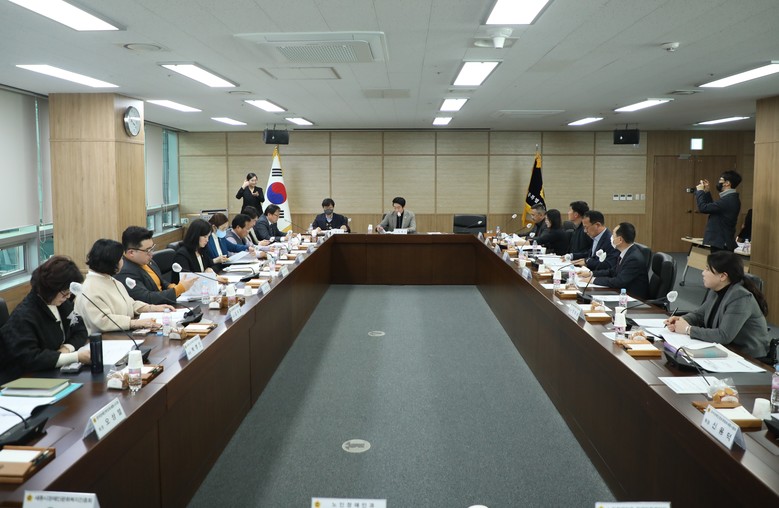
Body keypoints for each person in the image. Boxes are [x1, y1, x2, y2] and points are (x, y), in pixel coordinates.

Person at [0, 256, 90, 382]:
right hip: (24, 379)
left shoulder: (61, 303)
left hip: (53, 373)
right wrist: (75, 357)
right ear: (50, 288)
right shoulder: (23, 317)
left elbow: (80, 330)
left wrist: (67, 348)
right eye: (65, 292)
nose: (68, 297)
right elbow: (30, 358)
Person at [665, 251, 769, 358]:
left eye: (707, 269)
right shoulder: (716, 290)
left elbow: (723, 335)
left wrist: (688, 329)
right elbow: (699, 315)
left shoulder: (740, 298)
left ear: (723, 276)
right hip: (723, 349)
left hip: (747, 356)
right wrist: (682, 320)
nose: (703, 273)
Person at [75, 239, 172, 334]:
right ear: (111, 263)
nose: (123, 261)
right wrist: (134, 323)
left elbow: (129, 304)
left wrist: (152, 308)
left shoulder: (110, 280)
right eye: (121, 258)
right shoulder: (90, 288)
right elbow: (103, 320)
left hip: (120, 334)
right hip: (106, 339)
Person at [116, 226, 196, 305]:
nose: (151, 254)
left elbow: (159, 282)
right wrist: (178, 290)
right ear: (131, 253)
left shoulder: (146, 261)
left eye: (152, 248)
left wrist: (170, 286)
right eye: (148, 250)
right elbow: (147, 298)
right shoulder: (124, 272)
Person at [580, 222, 649, 299]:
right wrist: (591, 274)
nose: (611, 238)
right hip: (622, 294)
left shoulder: (633, 259)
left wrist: (593, 280)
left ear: (620, 240)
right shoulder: (626, 252)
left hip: (634, 299)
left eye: (613, 235)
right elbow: (612, 271)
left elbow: (619, 281)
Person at [695, 170, 741, 252]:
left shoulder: (728, 199)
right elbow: (712, 209)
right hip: (721, 242)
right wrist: (706, 192)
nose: (719, 182)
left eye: (720, 180)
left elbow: (703, 208)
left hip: (722, 242)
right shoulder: (730, 198)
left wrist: (700, 191)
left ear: (727, 183)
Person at [172, 219, 227, 283]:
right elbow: (187, 280)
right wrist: (208, 276)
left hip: (203, 286)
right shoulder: (182, 255)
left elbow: (214, 265)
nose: (207, 240)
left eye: (208, 237)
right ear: (195, 236)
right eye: (205, 237)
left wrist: (210, 269)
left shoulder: (201, 250)